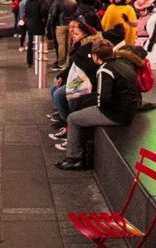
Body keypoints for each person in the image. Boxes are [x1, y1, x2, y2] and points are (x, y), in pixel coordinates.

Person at [54, 38, 142, 170]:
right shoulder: (121, 64)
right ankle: (81, 148)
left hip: (116, 114)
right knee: (85, 104)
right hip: (128, 110)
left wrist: (94, 107)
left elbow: (104, 100)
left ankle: (74, 158)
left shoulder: (104, 70)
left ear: (95, 56)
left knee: (73, 119)